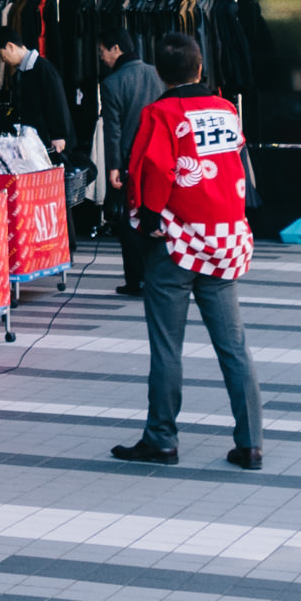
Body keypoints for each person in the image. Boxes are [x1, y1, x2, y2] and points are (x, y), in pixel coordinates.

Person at [112, 32, 263, 471]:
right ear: (200, 68)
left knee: (167, 346)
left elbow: (154, 168)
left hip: (176, 246)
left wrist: (150, 218)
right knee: (233, 346)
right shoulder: (226, 110)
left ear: (160, 74)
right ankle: (250, 442)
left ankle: (161, 438)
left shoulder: (160, 113)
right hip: (224, 241)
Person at [97, 29, 163, 297]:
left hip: (130, 162)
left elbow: (112, 129)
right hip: (160, 159)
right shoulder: (158, 74)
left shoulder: (113, 83)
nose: (101, 57)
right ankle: (158, 277)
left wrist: (114, 167)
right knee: (156, 215)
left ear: (116, 48)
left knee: (130, 223)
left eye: (102, 51)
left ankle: (135, 281)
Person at [0, 33, 69, 160]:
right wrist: (0, 125)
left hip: (50, 144)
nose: (3, 60)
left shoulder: (43, 68)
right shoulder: (20, 74)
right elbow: (19, 109)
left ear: (10, 46)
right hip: (33, 143)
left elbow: (57, 102)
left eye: (1, 55)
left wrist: (58, 135)